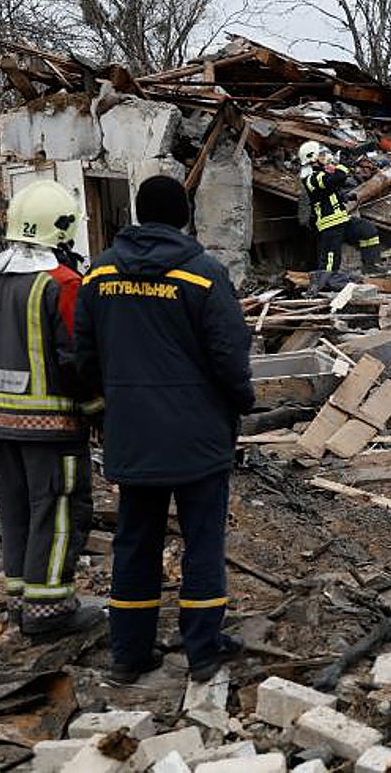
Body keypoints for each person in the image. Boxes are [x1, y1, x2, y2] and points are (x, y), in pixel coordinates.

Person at [75, 175, 255, 684]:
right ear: (183, 216)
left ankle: (129, 654)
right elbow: (229, 352)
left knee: (135, 542)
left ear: (138, 213)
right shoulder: (202, 274)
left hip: (132, 435)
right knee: (201, 543)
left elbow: (83, 354)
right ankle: (202, 651)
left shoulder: (99, 274)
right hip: (198, 436)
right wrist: (241, 402)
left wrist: (107, 410)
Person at [0, 180, 102, 638]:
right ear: (62, 233)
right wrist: (97, 410)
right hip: (53, 427)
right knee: (59, 511)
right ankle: (50, 612)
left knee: (18, 511)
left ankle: (21, 598)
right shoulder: (61, 284)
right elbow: (74, 361)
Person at [299, 141, 382, 288]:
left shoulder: (322, 175)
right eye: (322, 155)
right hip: (329, 224)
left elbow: (328, 190)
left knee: (368, 231)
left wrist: (344, 197)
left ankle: (371, 267)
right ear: (313, 159)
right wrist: (344, 164)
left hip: (342, 220)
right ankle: (323, 287)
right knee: (330, 261)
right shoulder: (311, 178)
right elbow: (337, 178)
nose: (325, 157)